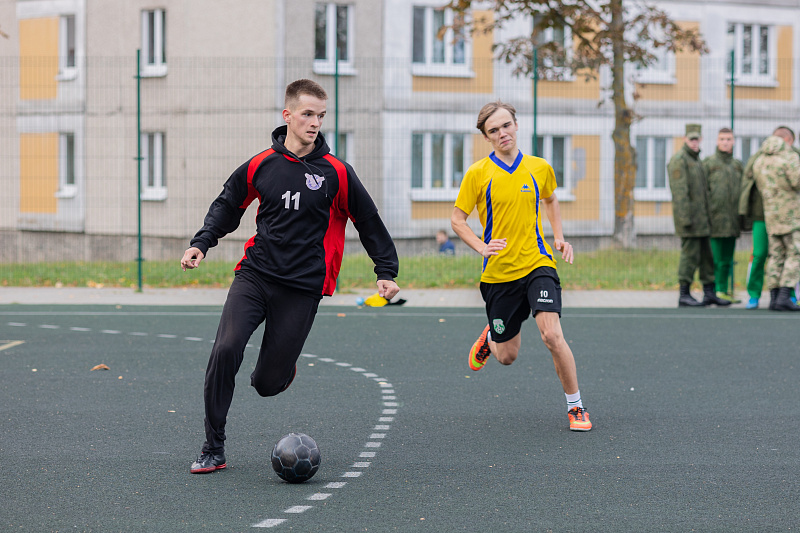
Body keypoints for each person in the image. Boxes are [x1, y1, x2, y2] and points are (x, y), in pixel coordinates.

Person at [180, 79, 401, 474]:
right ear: (288, 116)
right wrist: (202, 243)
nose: (315, 122)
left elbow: (368, 220)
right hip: (256, 275)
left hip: (303, 287)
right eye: (307, 114)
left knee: (267, 384)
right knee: (225, 349)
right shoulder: (261, 164)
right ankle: (213, 448)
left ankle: (281, 369)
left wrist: (385, 270)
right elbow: (229, 205)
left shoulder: (337, 173)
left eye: (321, 116)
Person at [450, 100, 591, 432]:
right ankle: (491, 336)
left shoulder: (539, 168)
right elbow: (457, 220)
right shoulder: (478, 173)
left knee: (552, 335)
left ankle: (576, 406)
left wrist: (558, 237)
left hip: (537, 263)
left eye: (506, 125)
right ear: (486, 137)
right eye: (494, 130)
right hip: (499, 274)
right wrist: (481, 247)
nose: (502, 133)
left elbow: (550, 198)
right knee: (507, 356)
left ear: (516, 125)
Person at [667, 124, 730, 307]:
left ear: (700, 139)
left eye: (697, 139)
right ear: (685, 139)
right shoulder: (679, 160)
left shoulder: (696, 160)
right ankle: (684, 294)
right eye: (691, 139)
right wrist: (685, 220)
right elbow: (680, 193)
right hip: (690, 221)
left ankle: (709, 293)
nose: (694, 142)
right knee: (689, 257)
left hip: (702, 221)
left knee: (707, 258)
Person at [739, 126, 800, 309]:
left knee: (776, 255)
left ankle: (774, 297)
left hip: (770, 215)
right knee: (794, 253)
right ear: (788, 140)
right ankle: (784, 294)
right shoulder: (789, 157)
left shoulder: (760, 159)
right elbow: (797, 181)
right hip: (790, 215)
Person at [702, 128, 744, 303]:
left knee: (727, 259)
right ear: (717, 141)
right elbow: (702, 191)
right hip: (715, 220)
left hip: (732, 221)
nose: (725, 142)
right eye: (722, 139)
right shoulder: (709, 164)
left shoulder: (737, 165)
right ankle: (714, 291)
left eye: (728, 139)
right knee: (715, 259)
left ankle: (723, 290)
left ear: (733, 141)